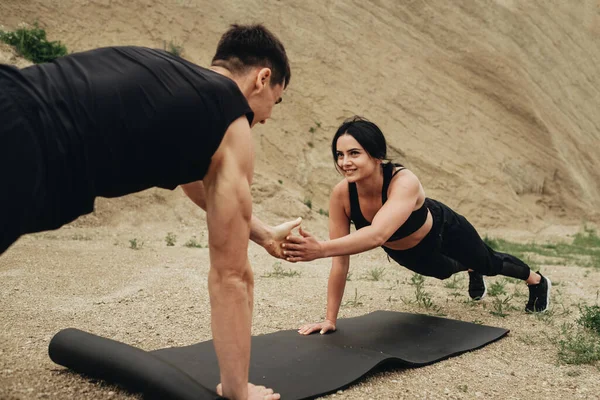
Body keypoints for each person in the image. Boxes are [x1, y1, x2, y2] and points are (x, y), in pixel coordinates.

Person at [0, 24, 299, 400]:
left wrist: (265, 234)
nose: (269, 117)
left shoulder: (173, 82)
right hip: (20, 143)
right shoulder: (229, 119)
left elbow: (201, 187)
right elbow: (232, 276)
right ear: (263, 78)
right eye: (277, 99)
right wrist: (238, 389)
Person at [280, 116, 552, 336]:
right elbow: (340, 261)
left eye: (354, 153)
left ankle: (536, 281)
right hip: (408, 252)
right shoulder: (342, 195)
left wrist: (320, 249)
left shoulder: (403, 181)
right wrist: (330, 319)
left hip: (446, 230)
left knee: (489, 263)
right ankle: (469, 267)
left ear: (377, 156)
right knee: (443, 273)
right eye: (339, 155)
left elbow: (378, 234)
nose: (345, 162)